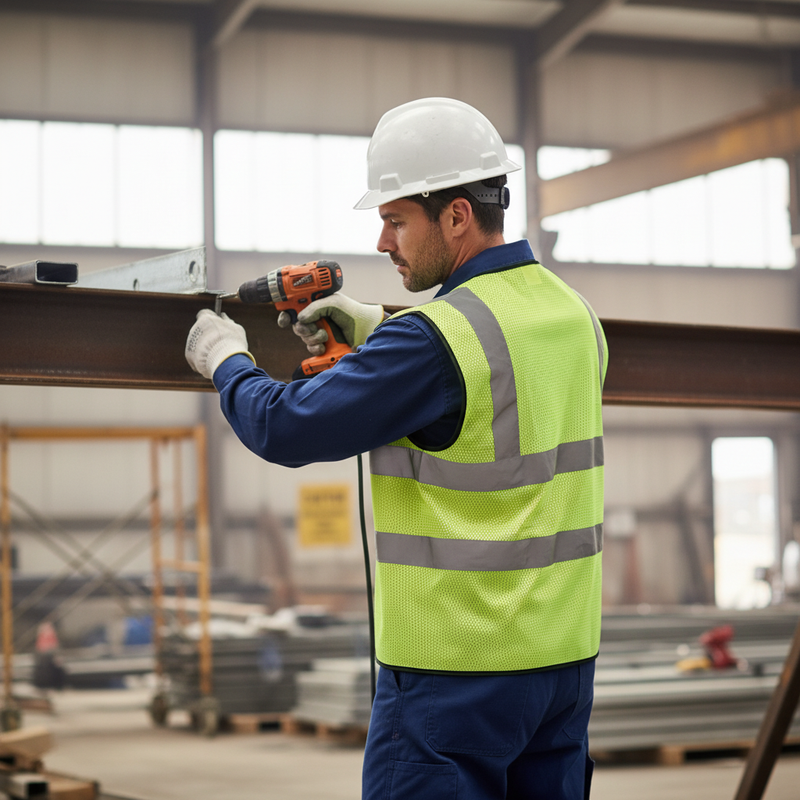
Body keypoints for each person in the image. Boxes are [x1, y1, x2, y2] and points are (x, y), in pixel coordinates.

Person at [185, 96, 607, 800]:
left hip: (454, 677)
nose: (384, 243)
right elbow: (496, 374)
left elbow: (286, 427)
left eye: (395, 219)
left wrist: (227, 360)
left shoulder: (434, 339)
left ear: (456, 215)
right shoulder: (573, 314)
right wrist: (380, 323)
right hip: (562, 666)